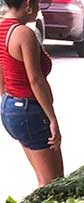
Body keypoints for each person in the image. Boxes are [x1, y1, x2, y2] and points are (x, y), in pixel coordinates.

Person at [0, 0, 60, 188]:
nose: (39, 9)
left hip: (11, 107)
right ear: (28, 3)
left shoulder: (2, 29)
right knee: (54, 184)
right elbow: (35, 80)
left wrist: (6, 99)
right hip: (29, 111)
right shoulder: (24, 34)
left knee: (43, 179)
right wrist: (52, 119)